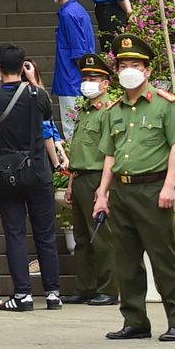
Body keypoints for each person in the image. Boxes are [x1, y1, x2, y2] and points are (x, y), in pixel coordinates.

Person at [94, 34, 175, 342]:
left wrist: (168, 187)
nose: (129, 70)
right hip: (122, 192)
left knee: (164, 259)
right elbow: (110, 154)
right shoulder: (114, 111)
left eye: (135, 65)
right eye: (123, 65)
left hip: (152, 190)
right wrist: (102, 194)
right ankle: (135, 320)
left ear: (148, 71)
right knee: (126, 259)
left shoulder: (166, 105)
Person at [0, 45, 61, 311]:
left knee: (15, 233)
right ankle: (53, 293)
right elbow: (47, 114)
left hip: (9, 175)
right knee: (45, 234)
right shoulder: (37, 94)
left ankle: (23, 295)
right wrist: (33, 82)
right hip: (39, 171)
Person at [62, 54, 119, 306]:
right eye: (85, 77)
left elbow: (111, 152)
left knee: (103, 237)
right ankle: (85, 287)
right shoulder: (85, 111)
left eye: (94, 78)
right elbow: (79, 150)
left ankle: (108, 288)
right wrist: (72, 182)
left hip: (99, 177)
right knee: (82, 237)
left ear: (106, 83)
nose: (88, 82)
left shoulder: (109, 111)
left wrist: (103, 190)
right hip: (81, 176)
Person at [49, 0, 95, 140]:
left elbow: (78, 52)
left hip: (72, 82)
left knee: (72, 132)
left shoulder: (67, 14)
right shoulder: (80, 11)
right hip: (79, 80)